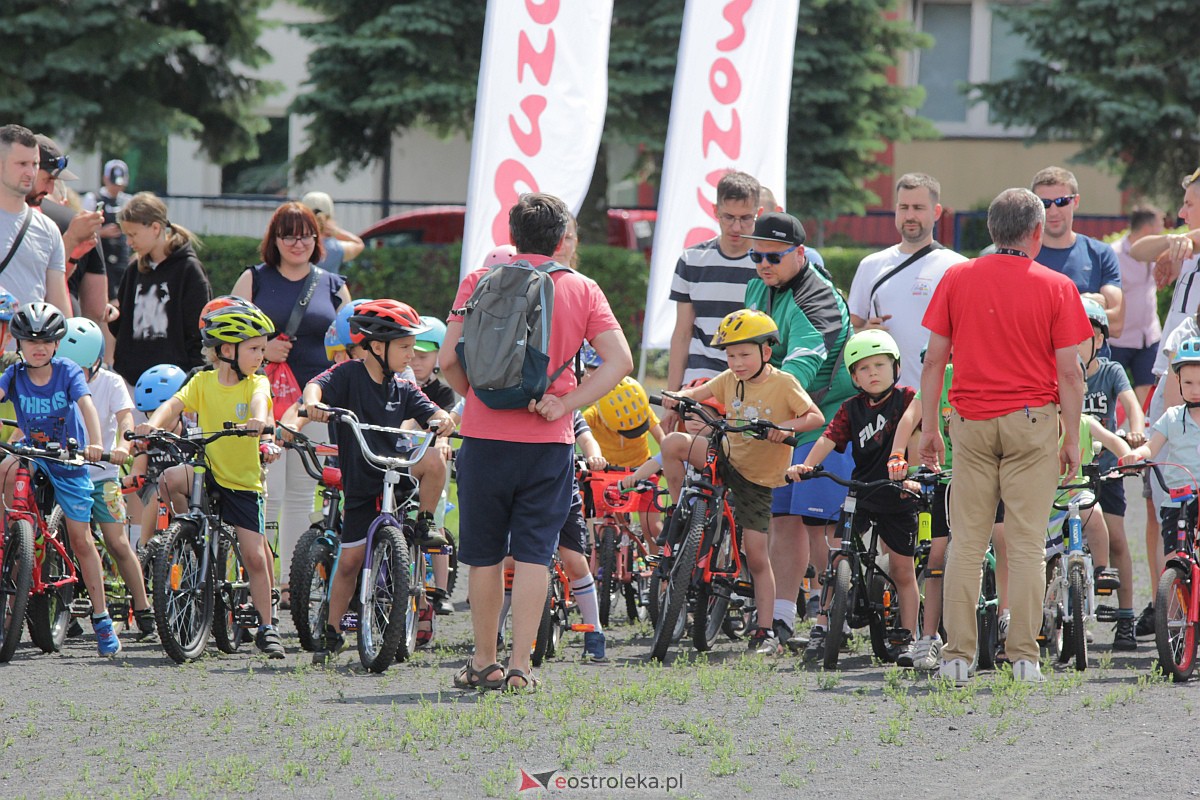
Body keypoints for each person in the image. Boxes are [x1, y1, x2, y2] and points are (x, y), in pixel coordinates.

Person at [441, 192, 632, 692]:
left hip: (483, 439)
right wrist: (565, 405)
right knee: (534, 555)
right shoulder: (583, 288)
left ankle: (484, 662)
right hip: (548, 442)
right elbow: (620, 361)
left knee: (482, 556)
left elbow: (445, 362)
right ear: (561, 237)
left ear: (512, 235)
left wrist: (479, 400)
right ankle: (522, 668)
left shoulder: (478, 280)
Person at [920, 187, 1092, 684]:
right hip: (1032, 421)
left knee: (967, 543)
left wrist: (930, 427)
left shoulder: (957, 277)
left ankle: (956, 657)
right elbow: (1072, 373)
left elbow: (934, 360)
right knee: (1026, 544)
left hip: (970, 422)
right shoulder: (1056, 286)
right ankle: (1023, 657)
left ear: (991, 230)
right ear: (1037, 232)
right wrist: (1072, 439)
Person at [281, 300, 454, 664]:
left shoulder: (402, 387)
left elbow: (429, 409)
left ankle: (424, 522)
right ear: (378, 346)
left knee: (436, 457)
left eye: (413, 347)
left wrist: (442, 419)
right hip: (363, 482)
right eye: (405, 347)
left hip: (396, 473)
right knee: (349, 562)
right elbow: (315, 387)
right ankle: (331, 632)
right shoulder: (348, 375)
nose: (411, 355)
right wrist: (314, 405)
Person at [662, 310, 825, 654]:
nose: (737, 362)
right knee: (672, 443)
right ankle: (682, 512)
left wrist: (787, 429)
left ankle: (764, 632)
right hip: (726, 456)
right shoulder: (728, 379)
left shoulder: (783, 383)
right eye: (731, 355)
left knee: (756, 555)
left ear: (767, 352)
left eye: (744, 354)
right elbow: (698, 393)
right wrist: (676, 397)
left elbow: (815, 416)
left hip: (758, 478)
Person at [740, 211, 858, 651]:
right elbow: (746, 350)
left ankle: (833, 613)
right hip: (781, 416)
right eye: (756, 255)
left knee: (817, 523)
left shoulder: (818, 298)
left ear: (801, 253)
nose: (763, 264)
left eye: (773, 256)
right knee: (782, 516)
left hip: (825, 419)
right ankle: (784, 616)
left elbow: (800, 368)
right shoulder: (758, 286)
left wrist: (762, 404)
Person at [142, 300, 285, 657]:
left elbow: (260, 405)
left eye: (263, 348)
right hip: (207, 472)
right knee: (169, 479)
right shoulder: (202, 382)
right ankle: (189, 537)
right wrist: (151, 425)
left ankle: (267, 626)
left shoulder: (257, 383)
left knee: (253, 555)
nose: (261, 356)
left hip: (242, 481)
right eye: (254, 348)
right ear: (226, 350)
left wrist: (257, 423)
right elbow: (173, 405)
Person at [232, 201, 351, 607]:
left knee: (302, 494)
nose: (297, 243)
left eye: (306, 234)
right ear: (274, 239)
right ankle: (259, 582)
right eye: (288, 235)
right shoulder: (254, 279)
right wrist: (265, 348)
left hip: (314, 400)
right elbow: (225, 335)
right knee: (267, 491)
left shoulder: (333, 283)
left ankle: (290, 584)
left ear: (318, 239)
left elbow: (350, 343)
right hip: (262, 398)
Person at [789, 330, 920, 664]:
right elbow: (828, 438)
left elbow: (916, 425)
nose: (872, 372)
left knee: (904, 569)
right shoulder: (851, 408)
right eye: (862, 368)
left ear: (896, 367)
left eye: (879, 364)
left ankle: (909, 637)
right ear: (853, 376)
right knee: (838, 556)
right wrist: (806, 465)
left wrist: (909, 471)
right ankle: (823, 625)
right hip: (861, 491)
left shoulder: (907, 398)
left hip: (897, 492)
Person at [0, 302, 119, 655]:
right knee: (6, 468)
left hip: (68, 458)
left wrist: (96, 444)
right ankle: (12, 534)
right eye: (30, 340)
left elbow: (86, 405)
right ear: (17, 344)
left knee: (81, 540)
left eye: (47, 341)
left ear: (57, 344)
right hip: (33, 452)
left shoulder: (67, 371)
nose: (38, 347)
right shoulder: (14, 374)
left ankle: (101, 618)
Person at [57, 316, 154, 640]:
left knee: (116, 541)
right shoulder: (56, 379)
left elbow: (125, 420)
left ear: (97, 363)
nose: (78, 377)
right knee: (56, 539)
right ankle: (59, 607)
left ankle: (142, 607)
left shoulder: (111, 383)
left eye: (84, 369)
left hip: (102, 474)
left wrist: (122, 447)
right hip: (64, 469)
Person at [847, 173, 966, 388]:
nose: (910, 216)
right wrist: (863, 330)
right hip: (884, 400)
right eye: (904, 207)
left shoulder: (957, 266)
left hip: (941, 397)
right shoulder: (871, 265)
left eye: (918, 208)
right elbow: (848, 331)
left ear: (936, 211)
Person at [1078, 297, 1144, 649]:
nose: (1080, 341)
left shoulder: (1110, 371)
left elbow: (1131, 404)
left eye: (1088, 334)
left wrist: (1134, 435)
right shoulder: (1057, 372)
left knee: (1116, 539)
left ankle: (1126, 617)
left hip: (1106, 472)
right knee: (1051, 545)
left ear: (1101, 339)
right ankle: (1054, 617)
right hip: (1070, 472)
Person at [665, 171, 761, 410]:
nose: (737, 226)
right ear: (715, 211)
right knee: (694, 435)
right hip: (701, 371)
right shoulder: (692, 259)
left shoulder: (765, 263)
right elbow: (682, 333)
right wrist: (673, 394)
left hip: (751, 372)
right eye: (729, 217)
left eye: (745, 218)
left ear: (758, 214)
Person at [111, 192, 211, 393]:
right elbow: (123, 329)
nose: (129, 243)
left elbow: (199, 332)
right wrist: (113, 316)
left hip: (174, 384)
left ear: (156, 228)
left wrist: (193, 379)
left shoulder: (188, 270)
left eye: (133, 235)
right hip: (132, 381)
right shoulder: (134, 270)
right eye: (126, 235)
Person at [1121, 338, 1200, 564]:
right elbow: (1151, 447)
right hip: (1177, 499)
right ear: (1178, 381)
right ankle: (1175, 592)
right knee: (1174, 558)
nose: (1195, 390)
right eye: (1188, 383)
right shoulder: (1173, 417)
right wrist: (1136, 455)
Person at [1030, 166, 1123, 339]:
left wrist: (1050, 312)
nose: (1053, 211)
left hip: (1092, 365)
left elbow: (1116, 323)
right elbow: (1021, 320)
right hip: (1040, 364)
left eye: (1062, 201)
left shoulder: (1101, 254)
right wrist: (1084, 304)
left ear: (1076, 201)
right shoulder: (1025, 255)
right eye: (1044, 203)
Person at [25, 135, 105, 324]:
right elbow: (97, 308)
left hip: (43, 334)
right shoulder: (66, 221)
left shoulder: (61, 224)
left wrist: (71, 252)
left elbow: (45, 285)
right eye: (48, 178)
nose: (51, 188)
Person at [0, 125, 72, 316]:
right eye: (22, 164)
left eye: (35, 164)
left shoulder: (48, 230)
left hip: (30, 345)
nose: (31, 173)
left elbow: (59, 308)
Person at [1108, 205, 1165, 406]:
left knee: (1148, 393)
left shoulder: (1161, 252)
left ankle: (1142, 434)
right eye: (1161, 225)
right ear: (1148, 229)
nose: (1164, 231)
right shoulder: (1113, 254)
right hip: (1119, 340)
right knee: (1112, 394)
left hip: (1149, 336)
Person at [82, 159, 135, 299]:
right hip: (101, 257)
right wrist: (102, 233)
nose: (116, 188)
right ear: (105, 179)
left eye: (120, 184)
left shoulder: (128, 201)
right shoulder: (93, 199)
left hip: (122, 257)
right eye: (113, 183)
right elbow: (82, 229)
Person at [300, 191, 364, 274]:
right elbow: (359, 244)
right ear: (329, 216)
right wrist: (336, 232)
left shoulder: (292, 246)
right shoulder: (336, 248)